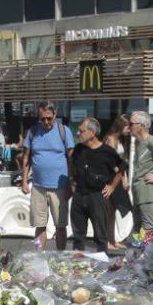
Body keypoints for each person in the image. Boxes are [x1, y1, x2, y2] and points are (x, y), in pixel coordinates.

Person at [19, 101, 74, 247]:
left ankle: (60, 259)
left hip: (60, 187)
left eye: (49, 118)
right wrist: (24, 181)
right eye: (42, 118)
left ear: (55, 115)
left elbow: (71, 158)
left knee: (60, 226)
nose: (46, 121)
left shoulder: (64, 131)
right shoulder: (32, 132)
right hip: (38, 186)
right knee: (39, 225)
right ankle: (39, 259)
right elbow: (26, 157)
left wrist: (71, 182)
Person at [66, 117, 124, 252]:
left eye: (81, 131)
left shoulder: (107, 151)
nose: (78, 133)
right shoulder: (78, 149)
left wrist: (112, 187)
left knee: (100, 236)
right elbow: (71, 163)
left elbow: (120, 170)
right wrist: (71, 181)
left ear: (92, 132)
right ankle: (77, 267)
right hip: (79, 196)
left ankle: (102, 266)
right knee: (78, 236)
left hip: (97, 197)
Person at [127, 111, 153, 233]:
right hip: (140, 195)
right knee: (139, 232)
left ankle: (151, 252)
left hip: (150, 195)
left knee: (150, 232)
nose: (129, 126)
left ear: (141, 126)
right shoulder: (139, 142)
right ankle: (143, 252)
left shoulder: (151, 142)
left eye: (131, 123)